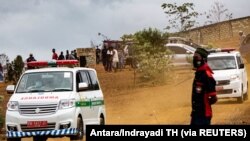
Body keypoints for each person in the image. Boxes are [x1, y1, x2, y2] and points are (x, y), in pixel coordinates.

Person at [190, 47, 217, 125]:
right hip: (195, 114)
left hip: (203, 115)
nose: (195, 59)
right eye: (194, 57)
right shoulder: (198, 74)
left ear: (203, 59)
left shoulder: (207, 75)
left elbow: (213, 98)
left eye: (197, 57)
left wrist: (203, 104)